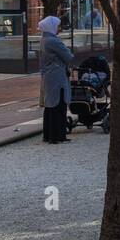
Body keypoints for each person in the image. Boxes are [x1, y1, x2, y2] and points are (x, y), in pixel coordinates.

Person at [39, 15, 74, 144]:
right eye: (58, 26)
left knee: (50, 107)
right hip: (57, 77)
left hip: (49, 76)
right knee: (59, 105)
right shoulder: (53, 41)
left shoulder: (44, 40)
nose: (59, 28)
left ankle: (49, 134)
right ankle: (58, 135)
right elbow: (68, 56)